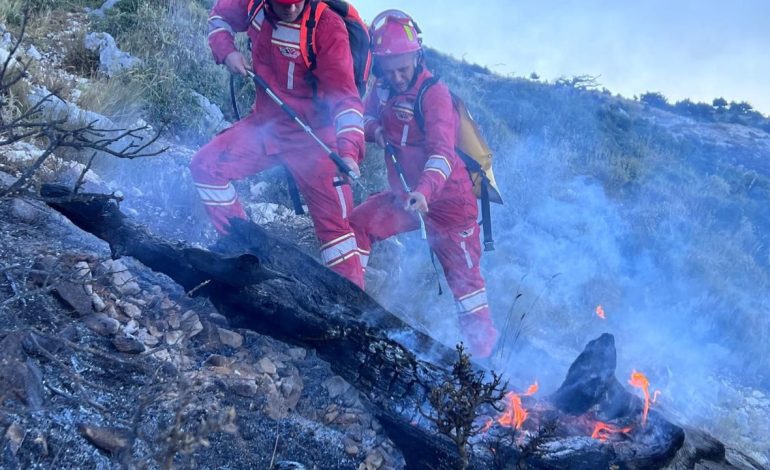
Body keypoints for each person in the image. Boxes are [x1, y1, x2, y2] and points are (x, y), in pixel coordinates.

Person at [349, 12, 500, 358]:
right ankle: (348, 302)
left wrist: (425, 191)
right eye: (389, 69)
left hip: (450, 206)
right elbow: (365, 115)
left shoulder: (434, 94)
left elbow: (442, 153)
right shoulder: (382, 87)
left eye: (403, 68)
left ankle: (486, 363)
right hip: (407, 198)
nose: (397, 77)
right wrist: (375, 130)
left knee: (467, 291)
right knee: (358, 225)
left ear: (417, 56)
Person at [191, 0, 366, 288]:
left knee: (337, 234)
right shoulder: (251, 4)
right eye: (284, 3)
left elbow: (346, 100)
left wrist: (348, 152)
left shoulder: (328, 26)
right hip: (265, 127)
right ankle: (241, 257)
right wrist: (227, 51)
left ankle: (355, 307)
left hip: (315, 142)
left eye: (297, 2)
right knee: (206, 167)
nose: (291, 9)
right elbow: (218, 18)